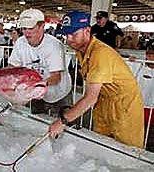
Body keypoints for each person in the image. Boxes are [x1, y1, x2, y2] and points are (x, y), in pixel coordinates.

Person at [48, 11, 144, 148]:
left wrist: (63, 121)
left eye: (74, 34)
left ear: (87, 31)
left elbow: (90, 98)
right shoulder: (81, 49)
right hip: (103, 100)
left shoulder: (100, 54)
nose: (69, 39)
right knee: (100, 145)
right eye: (66, 34)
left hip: (124, 104)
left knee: (127, 151)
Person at [8, 8, 72, 116]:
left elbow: (56, 77)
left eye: (31, 28)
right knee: (36, 122)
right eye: (23, 28)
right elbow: (12, 66)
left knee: (64, 124)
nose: (26, 32)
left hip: (59, 93)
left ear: (42, 26)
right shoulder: (20, 42)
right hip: (36, 94)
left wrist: (35, 85)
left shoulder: (54, 45)